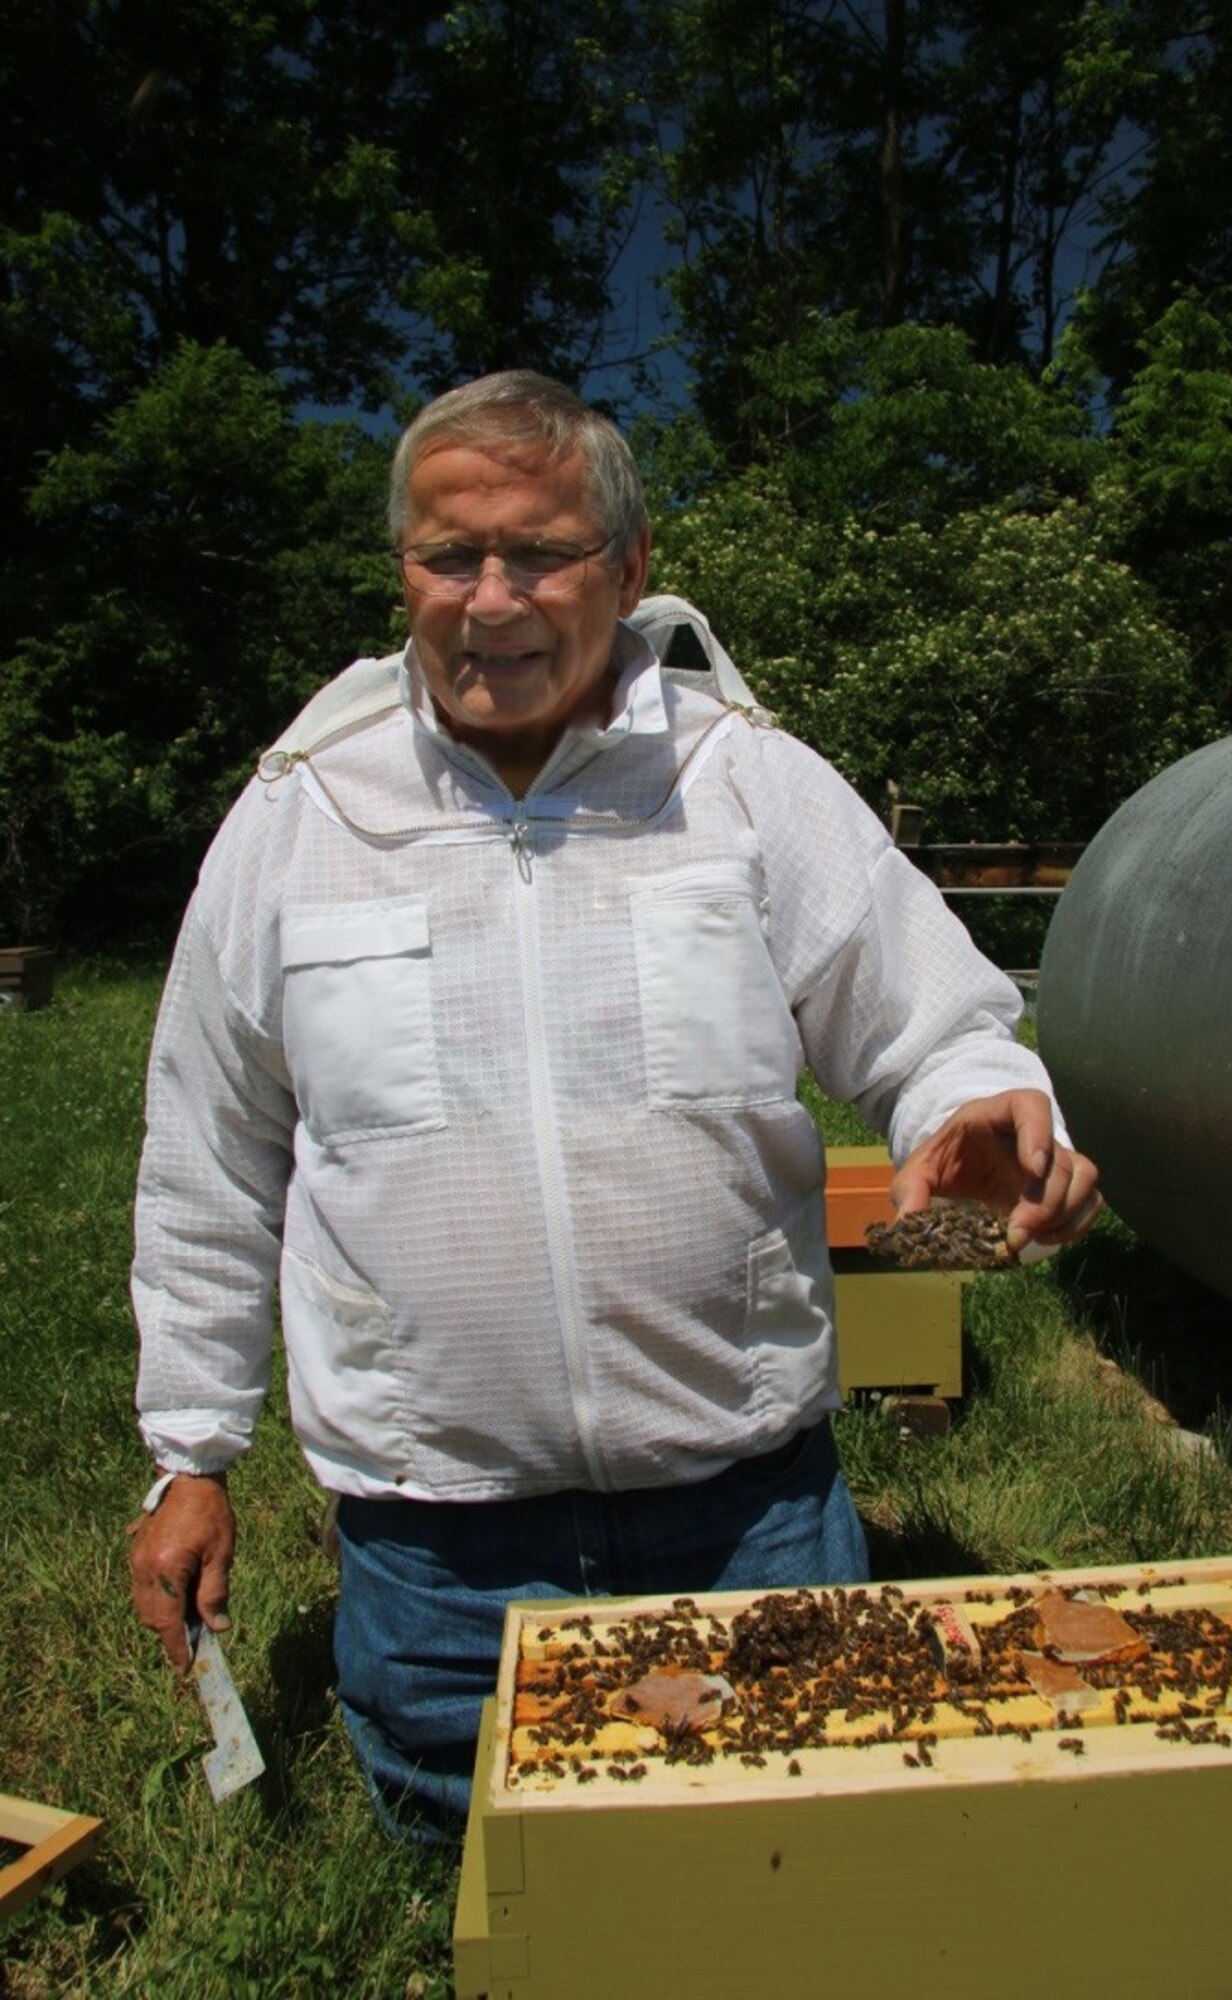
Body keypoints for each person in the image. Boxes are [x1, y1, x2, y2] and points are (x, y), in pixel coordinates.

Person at [128, 369, 1100, 1838]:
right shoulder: (296, 819)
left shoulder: (743, 784)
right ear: (403, 567)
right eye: (449, 556)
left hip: (746, 1509)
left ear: (632, 567)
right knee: (481, 1903)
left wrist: (973, 1107)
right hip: (434, 1544)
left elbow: (934, 1022)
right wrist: (189, 1455)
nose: (492, 599)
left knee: (797, 1872)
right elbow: (209, 1154)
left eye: (542, 552)